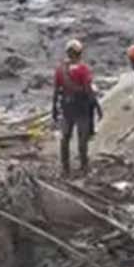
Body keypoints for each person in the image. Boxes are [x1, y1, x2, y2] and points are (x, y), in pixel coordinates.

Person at [51, 39, 101, 176]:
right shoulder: (83, 69)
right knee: (82, 136)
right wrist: (96, 106)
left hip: (67, 107)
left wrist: (54, 109)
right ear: (80, 53)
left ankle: (65, 167)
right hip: (81, 107)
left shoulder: (60, 69)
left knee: (65, 136)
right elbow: (87, 89)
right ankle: (84, 166)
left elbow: (56, 91)